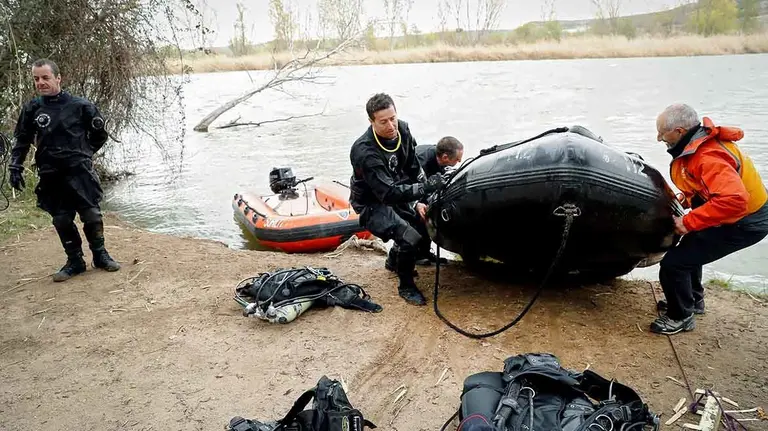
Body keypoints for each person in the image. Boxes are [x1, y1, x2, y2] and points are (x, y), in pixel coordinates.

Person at [651, 103, 768, 335]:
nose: (658, 138)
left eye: (661, 131)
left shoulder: (708, 155)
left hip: (746, 221)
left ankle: (680, 316)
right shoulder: (698, 146)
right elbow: (705, 185)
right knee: (691, 249)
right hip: (738, 213)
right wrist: (684, 201)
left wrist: (688, 222)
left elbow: (734, 200)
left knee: (674, 264)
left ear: (680, 132)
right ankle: (693, 301)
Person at [8, 58, 121, 282]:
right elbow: (22, 140)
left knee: (91, 214)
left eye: (45, 77)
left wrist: (85, 153)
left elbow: (100, 134)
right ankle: (75, 261)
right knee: (61, 219)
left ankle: (100, 255)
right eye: (36, 79)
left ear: (58, 78)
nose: (40, 82)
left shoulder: (81, 106)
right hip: (50, 172)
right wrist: (15, 166)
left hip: (79, 171)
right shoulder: (32, 108)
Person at [349, 93, 446, 306]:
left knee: (422, 221)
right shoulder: (365, 152)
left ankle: (394, 261)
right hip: (372, 200)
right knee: (408, 236)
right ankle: (406, 285)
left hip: (395, 186)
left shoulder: (403, 129)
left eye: (393, 118)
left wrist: (424, 196)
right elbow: (388, 194)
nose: (391, 125)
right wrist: (423, 187)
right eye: (383, 121)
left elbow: (412, 166)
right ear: (371, 122)